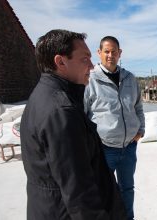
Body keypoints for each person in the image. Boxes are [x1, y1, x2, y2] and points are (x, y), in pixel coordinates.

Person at [20, 29, 126, 219]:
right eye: (85, 59)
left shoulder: (45, 96)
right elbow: (78, 189)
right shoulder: (61, 111)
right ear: (61, 62)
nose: (92, 66)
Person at [84, 36, 144, 220]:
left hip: (128, 148)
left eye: (114, 51)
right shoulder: (90, 80)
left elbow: (138, 106)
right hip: (105, 149)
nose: (110, 55)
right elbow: (83, 114)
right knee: (104, 191)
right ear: (99, 53)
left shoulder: (129, 78)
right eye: (107, 51)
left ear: (120, 53)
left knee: (127, 189)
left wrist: (140, 129)